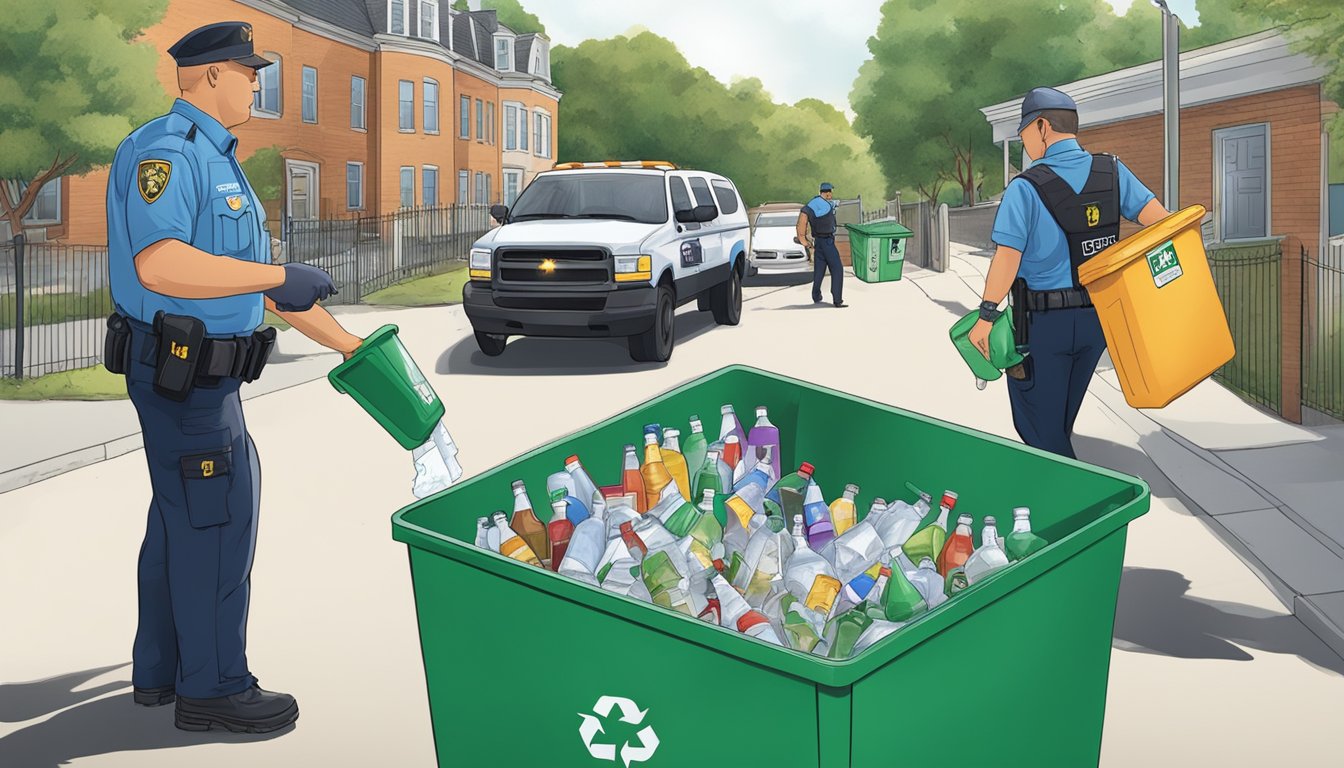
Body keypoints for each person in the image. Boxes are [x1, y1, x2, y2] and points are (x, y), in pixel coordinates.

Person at [104, 21, 363, 733]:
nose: (258, 82)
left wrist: (346, 343)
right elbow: (161, 264)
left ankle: (160, 671)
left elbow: (253, 289)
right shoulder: (168, 154)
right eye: (250, 72)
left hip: (199, 379)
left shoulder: (218, 161)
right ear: (211, 75)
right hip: (184, 379)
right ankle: (214, 688)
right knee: (217, 519)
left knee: (178, 518)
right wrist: (281, 272)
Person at [969, 87, 1169, 458]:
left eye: (1025, 132)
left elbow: (1007, 259)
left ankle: (1075, 499)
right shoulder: (1113, 171)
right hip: (1098, 321)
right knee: (1060, 419)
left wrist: (986, 316)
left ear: (1042, 127)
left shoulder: (1024, 189)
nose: (1025, 142)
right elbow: (1160, 224)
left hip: (1044, 327)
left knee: (1037, 426)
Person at [796, 182, 847, 308]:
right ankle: (837, 299)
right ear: (828, 192)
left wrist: (803, 239)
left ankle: (816, 295)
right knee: (837, 269)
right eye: (830, 192)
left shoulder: (812, 204)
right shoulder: (827, 204)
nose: (831, 194)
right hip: (828, 242)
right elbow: (831, 206)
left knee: (819, 270)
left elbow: (802, 222)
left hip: (818, 242)